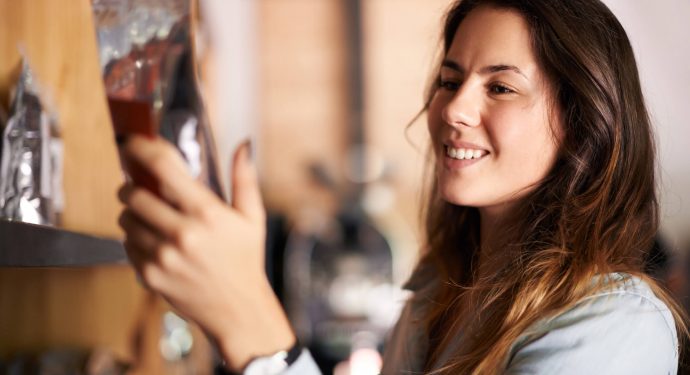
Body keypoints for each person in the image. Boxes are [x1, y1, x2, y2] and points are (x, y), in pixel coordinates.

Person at [117, 0, 688, 373]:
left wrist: (255, 329)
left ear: (582, 124)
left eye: (501, 88)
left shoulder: (617, 326)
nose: (454, 109)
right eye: (450, 79)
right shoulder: (434, 298)